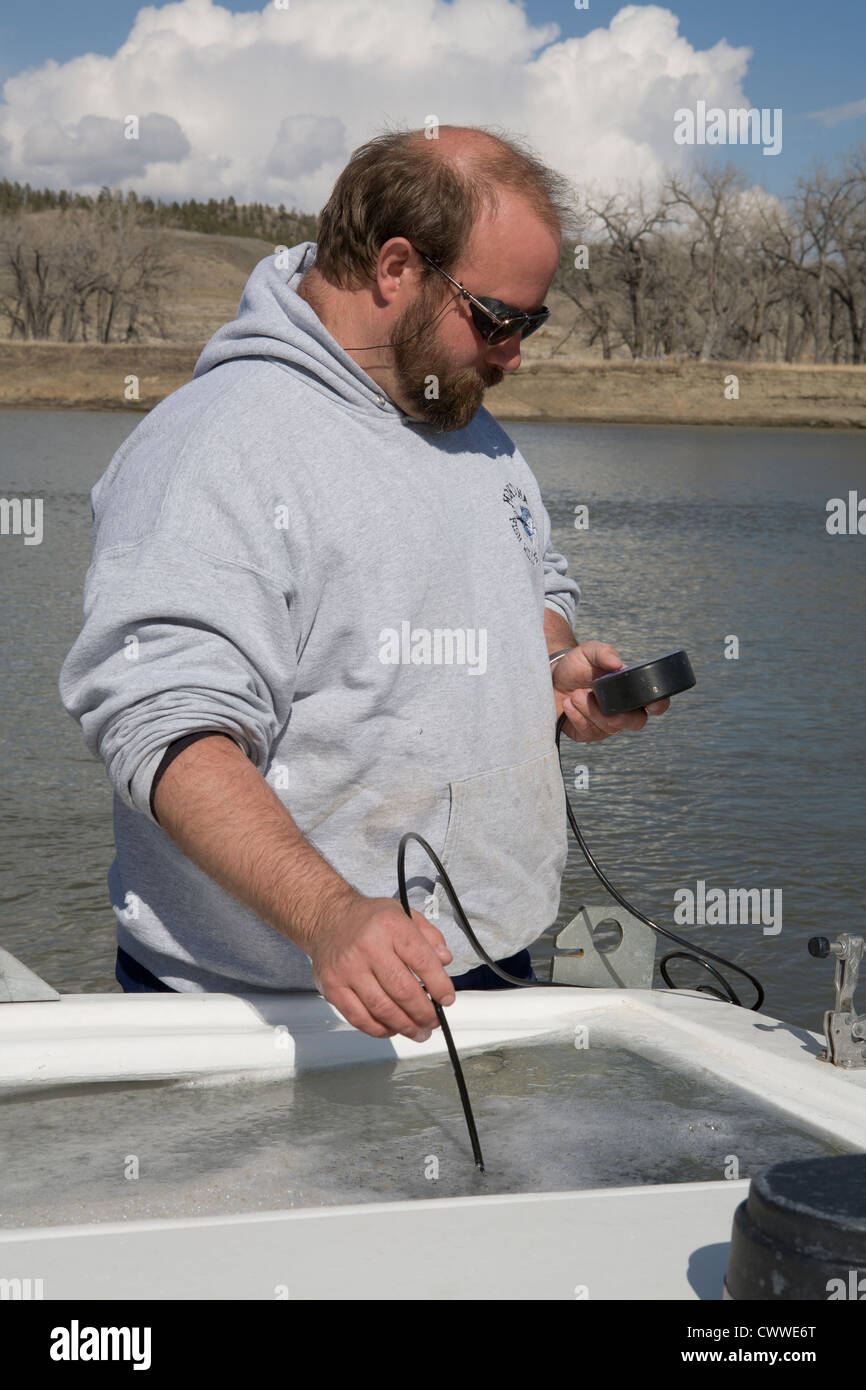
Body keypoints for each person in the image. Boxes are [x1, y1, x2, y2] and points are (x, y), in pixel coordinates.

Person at [59, 124, 669, 1044]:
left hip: (489, 971)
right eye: (500, 319)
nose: (514, 355)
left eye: (530, 324)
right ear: (394, 268)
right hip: (267, 1012)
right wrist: (330, 917)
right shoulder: (216, 448)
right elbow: (168, 729)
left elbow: (534, 572)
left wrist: (555, 663)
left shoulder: (464, 418)